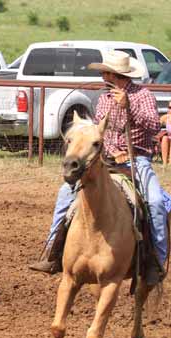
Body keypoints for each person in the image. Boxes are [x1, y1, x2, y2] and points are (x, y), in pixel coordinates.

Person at [29, 50, 167, 274]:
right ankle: (53, 253)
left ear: (115, 74)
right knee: (65, 194)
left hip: (137, 160)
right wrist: (111, 150)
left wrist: (128, 107)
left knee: (155, 203)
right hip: (105, 160)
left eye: (105, 72)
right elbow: (99, 133)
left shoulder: (143, 95)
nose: (103, 76)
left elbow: (153, 126)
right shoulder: (104, 98)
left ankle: (156, 263)